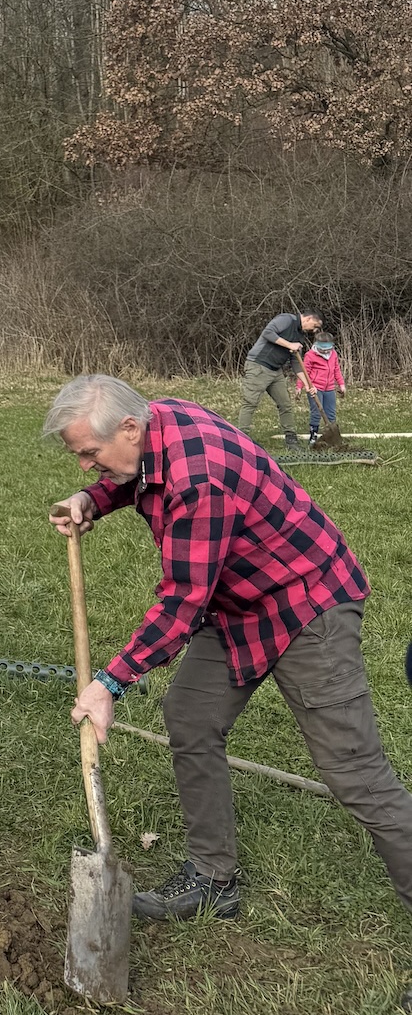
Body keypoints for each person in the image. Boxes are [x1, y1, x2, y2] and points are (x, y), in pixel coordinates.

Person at [46, 373, 412, 922]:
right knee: (191, 712)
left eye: (90, 454)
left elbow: (181, 604)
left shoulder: (200, 480)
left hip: (307, 602)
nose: (84, 464)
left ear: (127, 426)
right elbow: (136, 477)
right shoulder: (156, 422)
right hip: (241, 602)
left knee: (356, 775)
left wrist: (111, 681)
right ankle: (213, 880)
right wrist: (91, 497)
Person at [238, 306, 322, 447]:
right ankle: (241, 439)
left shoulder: (300, 335)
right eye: (314, 326)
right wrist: (289, 344)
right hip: (258, 366)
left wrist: (307, 384)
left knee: (285, 405)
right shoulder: (286, 319)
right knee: (250, 403)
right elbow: (268, 333)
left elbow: (296, 362)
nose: (314, 330)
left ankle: (291, 440)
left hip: (276, 371)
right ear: (308, 319)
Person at [298, 329, 347, 443]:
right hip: (315, 388)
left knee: (331, 412)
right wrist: (299, 387)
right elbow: (304, 372)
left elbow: (336, 370)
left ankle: (331, 434)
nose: (325, 352)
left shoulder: (333, 354)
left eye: (328, 349)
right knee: (316, 411)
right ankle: (313, 435)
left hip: (329, 388)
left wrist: (341, 384)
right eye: (323, 349)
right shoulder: (310, 355)